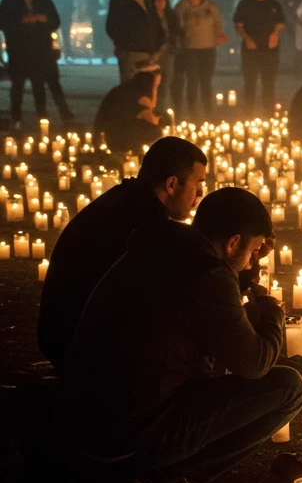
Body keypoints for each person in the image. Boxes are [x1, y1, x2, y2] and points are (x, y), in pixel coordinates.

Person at [64, 187, 302, 483]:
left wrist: (246, 271)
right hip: (127, 437)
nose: (253, 258)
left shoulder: (162, 248)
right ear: (233, 242)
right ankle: (165, 480)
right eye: (251, 250)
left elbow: (214, 326)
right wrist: (273, 313)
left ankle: (151, 472)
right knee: (288, 388)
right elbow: (255, 363)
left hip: (84, 419)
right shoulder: (206, 274)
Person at [38, 136, 208, 368]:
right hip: (85, 352)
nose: (198, 196)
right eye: (197, 185)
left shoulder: (124, 199)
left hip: (60, 338)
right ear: (171, 185)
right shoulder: (147, 225)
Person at [0, 0, 65, 127]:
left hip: (41, 49)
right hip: (18, 50)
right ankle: (16, 117)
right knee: (18, 85)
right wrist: (21, 22)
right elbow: (3, 22)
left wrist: (44, 19)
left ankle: (42, 115)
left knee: (39, 83)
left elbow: (55, 21)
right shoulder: (10, 0)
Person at [232, 0, 286, 114]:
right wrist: (246, 38)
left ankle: (268, 113)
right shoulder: (245, 3)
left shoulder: (274, 3)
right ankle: (248, 113)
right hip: (250, 50)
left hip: (270, 50)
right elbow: (238, 24)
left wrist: (275, 33)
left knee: (269, 83)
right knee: (250, 82)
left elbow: (281, 22)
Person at [174, 0, 226, 117]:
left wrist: (219, 36)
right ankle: (193, 113)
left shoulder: (210, 6)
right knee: (192, 80)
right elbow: (176, 26)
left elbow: (218, 24)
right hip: (190, 49)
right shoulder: (181, 7)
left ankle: (209, 112)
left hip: (208, 49)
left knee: (206, 81)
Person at [106, 0, 166, 83]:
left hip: (151, 51)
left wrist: (160, 40)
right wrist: (125, 44)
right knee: (131, 87)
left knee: (148, 87)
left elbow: (156, 21)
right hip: (131, 53)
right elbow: (111, 27)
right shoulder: (120, 1)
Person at [94, 68, 163, 156]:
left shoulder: (126, 88)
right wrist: (155, 87)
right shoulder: (140, 96)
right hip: (118, 139)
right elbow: (152, 120)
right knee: (156, 131)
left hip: (107, 134)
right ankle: (139, 152)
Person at [151, 0, 180, 114]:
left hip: (167, 54)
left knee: (165, 84)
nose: (160, 2)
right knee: (152, 85)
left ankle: (160, 112)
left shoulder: (171, 17)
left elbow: (177, 33)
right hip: (152, 55)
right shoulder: (148, 18)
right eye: (157, 0)